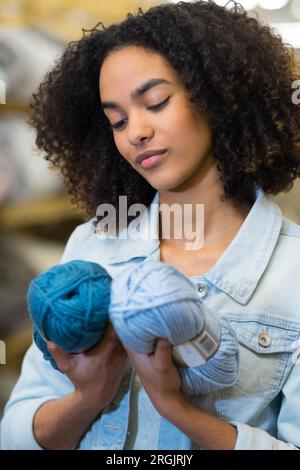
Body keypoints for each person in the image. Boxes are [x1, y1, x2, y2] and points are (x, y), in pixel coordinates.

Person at [1, 0, 300, 450]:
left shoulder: (291, 273)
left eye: (155, 103)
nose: (134, 132)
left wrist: (175, 407)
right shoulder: (93, 245)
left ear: (216, 98)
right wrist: (88, 396)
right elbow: (14, 435)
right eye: (116, 121)